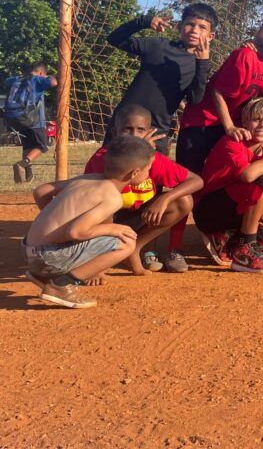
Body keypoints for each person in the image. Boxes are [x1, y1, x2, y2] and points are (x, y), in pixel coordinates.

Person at [24, 134, 153, 308]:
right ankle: (61, 285)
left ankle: (43, 275)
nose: (149, 173)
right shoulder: (112, 197)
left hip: (29, 251)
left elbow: (41, 191)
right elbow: (76, 232)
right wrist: (112, 229)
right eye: (148, 169)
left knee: (95, 231)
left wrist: (55, 222)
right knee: (127, 242)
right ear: (135, 172)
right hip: (47, 257)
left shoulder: (87, 179)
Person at [177, 9, 263, 175]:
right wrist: (229, 127)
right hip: (205, 122)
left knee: (217, 183)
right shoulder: (245, 55)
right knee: (187, 180)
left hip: (237, 129)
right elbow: (217, 92)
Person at [82, 104, 202, 274]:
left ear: (149, 132)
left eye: (140, 130)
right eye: (127, 130)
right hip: (104, 218)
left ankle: (133, 250)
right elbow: (94, 201)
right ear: (115, 133)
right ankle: (100, 257)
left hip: (136, 217)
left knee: (183, 201)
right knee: (106, 201)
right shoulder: (104, 158)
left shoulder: (153, 159)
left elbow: (196, 181)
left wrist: (164, 199)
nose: (134, 136)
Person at [193, 98, 263, 273]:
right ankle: (244, 249)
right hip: (209, 210)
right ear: (245, 122)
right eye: (256, 119)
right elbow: (248, 175)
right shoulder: (232, 141)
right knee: (261, 177)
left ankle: (229, 239)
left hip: (239, 207)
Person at [105, 4, 216, 156]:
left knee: (153, 179)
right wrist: (144, 21)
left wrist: (203, 63)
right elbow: (114, 39)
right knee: (108, 175)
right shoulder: (158, 46)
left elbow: (194, 100)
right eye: (190, 24)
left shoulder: (200, 65)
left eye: (202, 27)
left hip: (156, 132)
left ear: (210, 36)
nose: (195, 30)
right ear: (179, 26)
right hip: (125, 125)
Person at [5, 61, 57, 183]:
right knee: (42, 146)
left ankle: (28, 176)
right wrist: (51, 76)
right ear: (41, 73)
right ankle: (22, 164)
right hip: (35, 121)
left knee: (28, 146)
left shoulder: (16, 79)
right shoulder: (37, 80)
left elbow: (6, 81)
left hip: (17, 118)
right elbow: (54, 82)